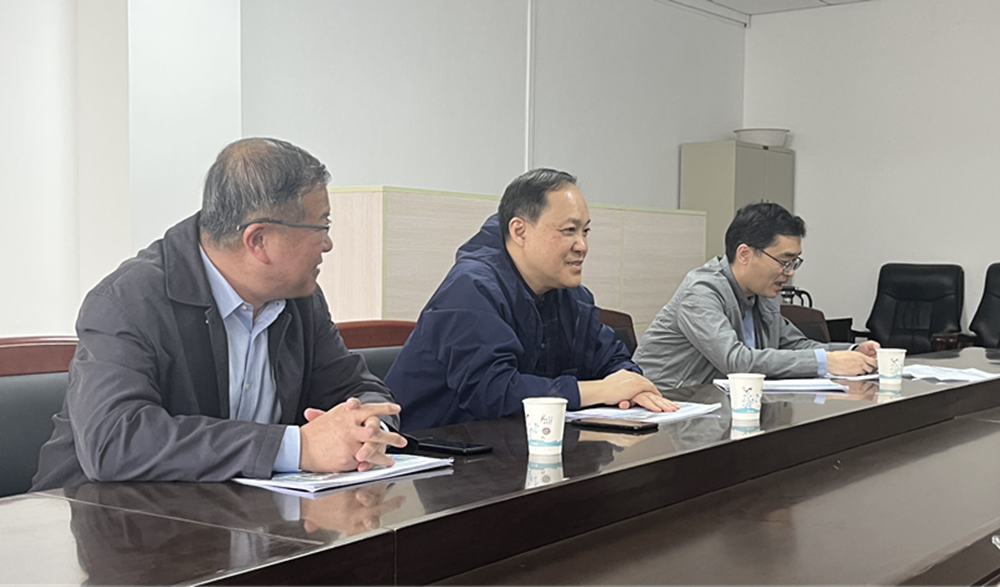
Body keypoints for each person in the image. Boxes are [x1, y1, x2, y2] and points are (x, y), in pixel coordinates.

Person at [32, 138, 408, 491]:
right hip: (98, 518)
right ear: (259, 240)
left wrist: (368, 428)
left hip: (231, 515)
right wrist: (296, 447)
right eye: (321, 225)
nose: (328, 243)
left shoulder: (299, 299)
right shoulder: (127, 300)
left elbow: (355, 388)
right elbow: (114, 440)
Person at [384, 168, 677, 432]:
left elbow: (611, 358)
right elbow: (492, 391)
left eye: (585, 231)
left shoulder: (569, 294)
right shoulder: (470, 288)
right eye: (569, 231)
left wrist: (632, 387)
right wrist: (601, 391)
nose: (582, 246)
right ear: (520, 231)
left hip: (514, 448)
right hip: (434, 454)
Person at [633, 202, 879, 390]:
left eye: (794, 262)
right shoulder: (701, 292)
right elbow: (736, 361)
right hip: (667, 407)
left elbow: (796, 345)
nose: (790, 273)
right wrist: (827, 362)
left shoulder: (764, 294)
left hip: (723, 406)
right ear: (744, 254)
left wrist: (853, 351)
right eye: (784, 261)